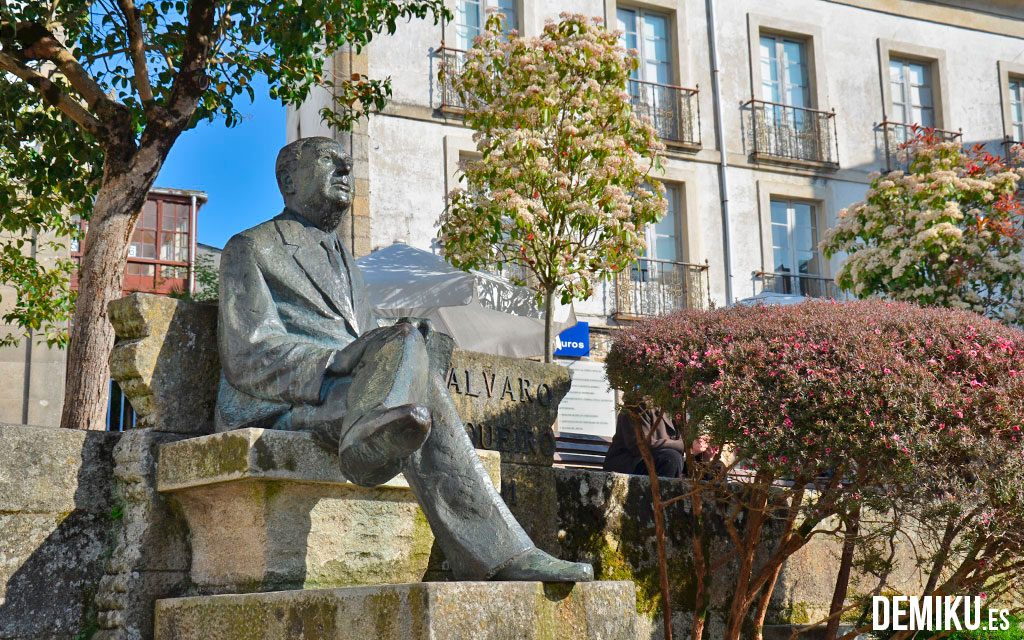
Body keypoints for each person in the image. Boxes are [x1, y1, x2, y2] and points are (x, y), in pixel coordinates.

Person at [215, 136, 593, 583]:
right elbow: (249, 353)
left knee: (413, 342)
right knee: (420, 391)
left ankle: (379, 427)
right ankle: (500, 553)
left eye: (349, 164)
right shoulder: (251, 247)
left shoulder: (348, 263)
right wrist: (337, 359)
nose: (344, 171)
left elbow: (366, 335)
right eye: (330, 162)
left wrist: (406, 334)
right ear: (288, 180)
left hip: (351, 393)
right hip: (287, 398)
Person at [602, 404, 685, 478]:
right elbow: (639, 445)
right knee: (671, 458)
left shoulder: (676, 408)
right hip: (630, 463)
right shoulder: (637, 404)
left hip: (657, 461)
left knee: (691, 463)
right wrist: (685, 445)